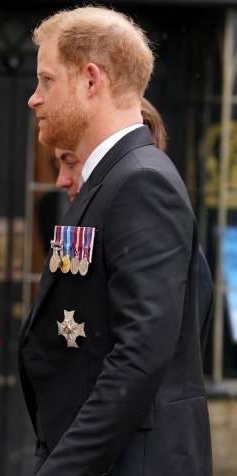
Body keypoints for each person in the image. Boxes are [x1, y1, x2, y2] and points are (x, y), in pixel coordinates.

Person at [6, 7, 215, 476]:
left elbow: (144, 352)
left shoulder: (140, 181)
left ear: (91, 79)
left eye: (46, 79)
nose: (34, 97)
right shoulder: (112, 179)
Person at [54, 100, 214, 353]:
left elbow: (149, 350)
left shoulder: (152, 207)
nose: (61, 180)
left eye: (71, 161)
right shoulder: (87, 225)